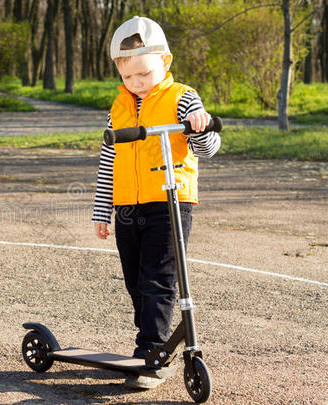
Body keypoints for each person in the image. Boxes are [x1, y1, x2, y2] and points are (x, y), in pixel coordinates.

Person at [91, 16, 221, 389]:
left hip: (169, 204)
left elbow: (209, 149)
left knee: (158, 282)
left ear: (165, 61)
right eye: (129, 78)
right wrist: (103, 210)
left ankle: (151, 356)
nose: (138, 84)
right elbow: (108, 164)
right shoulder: (118, 107)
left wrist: (201, 124)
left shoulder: (183, 98)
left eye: (144, 75)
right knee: (135, 282)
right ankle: (153, 345)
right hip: (128, 208)